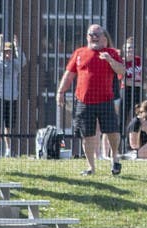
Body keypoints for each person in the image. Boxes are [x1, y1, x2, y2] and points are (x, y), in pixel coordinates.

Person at [57, 24, 125, 177]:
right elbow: (69, 74)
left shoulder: (111, 53)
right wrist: (60, 91)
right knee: (87, 135)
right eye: (91, 34)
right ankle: (91, 167)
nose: (94, 37)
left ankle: (114, 157)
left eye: (97, 34)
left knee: (112, 132)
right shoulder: (80, 52)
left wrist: (110, 60)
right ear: (87, 37)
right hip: (84, 101)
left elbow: (122, 71)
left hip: (105, 100)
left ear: (104, 37)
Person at [0, 35, 24, 156]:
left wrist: (17, 47)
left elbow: (22, 62)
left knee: (9, 125)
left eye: (9, 52)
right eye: (6, 52)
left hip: (12, 97)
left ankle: (8, 149)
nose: (7, 54)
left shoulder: (15, 64)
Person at [121, 37, 144, 134]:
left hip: (137, 90)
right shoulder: (122, 61)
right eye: (128, 48)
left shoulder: (138, 60)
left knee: (138, 115)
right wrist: (135, 81)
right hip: (125, 90)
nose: (130, 50)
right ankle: (121, 137)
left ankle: (133, 137)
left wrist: (132, 81)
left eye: (133, 47)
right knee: (123, 116)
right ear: (124, 49)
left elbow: (142, 78)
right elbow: (123, 80)